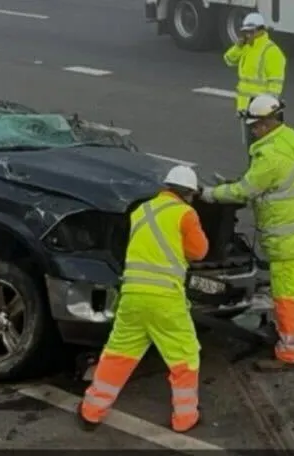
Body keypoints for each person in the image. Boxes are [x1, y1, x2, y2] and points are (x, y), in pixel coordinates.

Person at [200, 94, 294, 373]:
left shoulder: (269, 155)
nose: (253, 130)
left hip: (290, 242)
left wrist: (210, 194)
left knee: (286, 297)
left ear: (267, 124)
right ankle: (288, 335)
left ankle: (289, 354)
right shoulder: (291, 138)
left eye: (255, 126)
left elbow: (244, 191)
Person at [77, 165, 208, 433]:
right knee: (185, 356)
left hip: (132, 296)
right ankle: (185, 418)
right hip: (165, 300)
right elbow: (199, 251)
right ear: (189, 194)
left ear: (166, 187)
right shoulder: (185, 213)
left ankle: (91, 411)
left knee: (118, 354)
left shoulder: (141, 211)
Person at [223, 12, 286, 147]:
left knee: (265, 148)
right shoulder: (246, 47)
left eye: (251, 32)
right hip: (245, 108)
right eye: (245, 32)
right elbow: (228, 59)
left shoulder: (272, 51)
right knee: (251, 148)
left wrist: (268, 111)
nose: (247, 35)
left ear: (261, 30)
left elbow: (275, 86)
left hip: (262, 110)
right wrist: (238, 46)